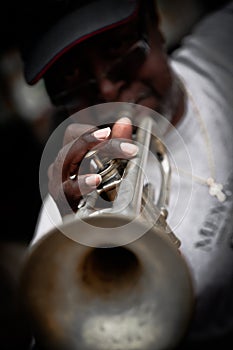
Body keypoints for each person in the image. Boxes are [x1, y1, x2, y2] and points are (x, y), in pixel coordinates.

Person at [17, 0, 233, 348]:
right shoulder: (57, 234)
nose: (105, 90)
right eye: (71, 76)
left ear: (155, 23)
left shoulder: (223, 52)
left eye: (117, 47)